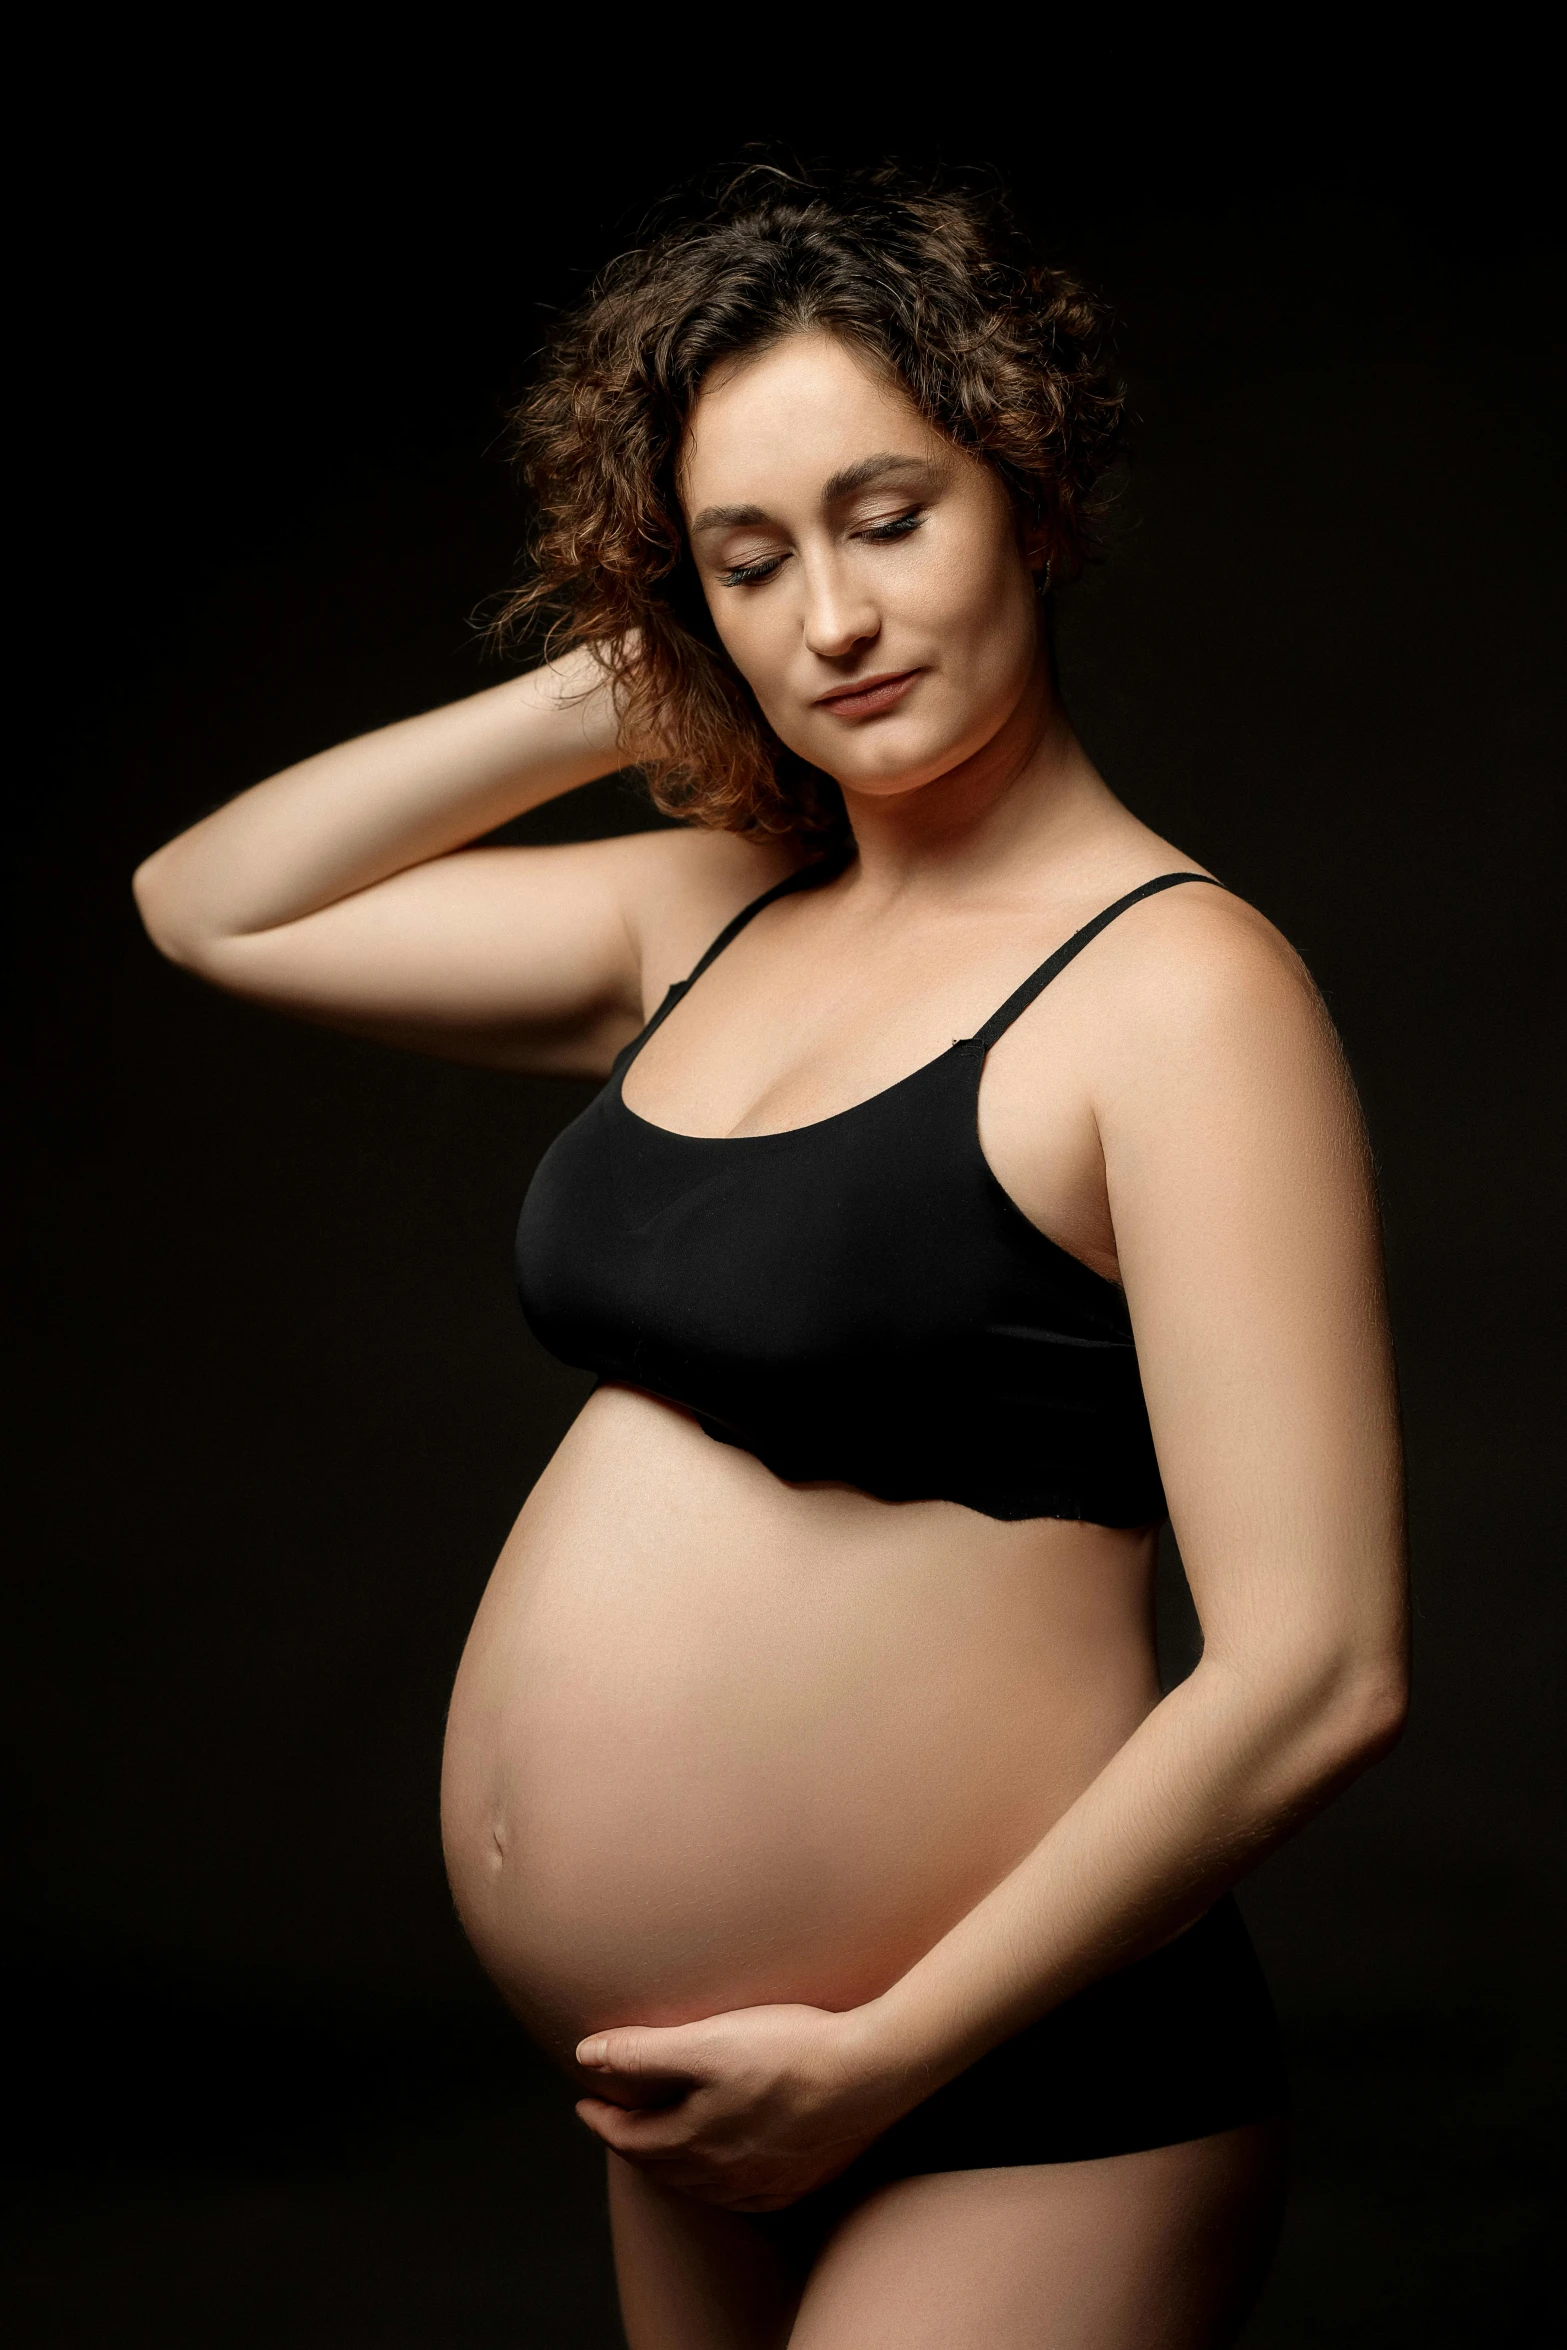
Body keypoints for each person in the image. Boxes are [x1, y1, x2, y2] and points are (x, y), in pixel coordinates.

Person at [133, 164, 1408, 2348]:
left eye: (886, 514)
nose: (833, 616)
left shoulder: (1180, 991)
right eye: (754, 556)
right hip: (692, 2087)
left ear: (1022, 491)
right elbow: (215, 896)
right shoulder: (706, 906)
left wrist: (887, 2057)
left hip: (1008, 2079)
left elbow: (1321, 1668)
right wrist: (631, 673)